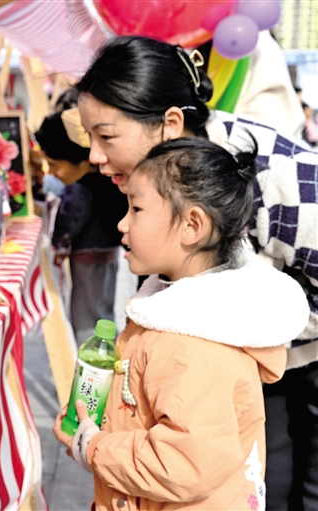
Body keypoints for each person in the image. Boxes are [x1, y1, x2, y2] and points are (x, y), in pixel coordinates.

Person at [72, 35, 318, 510]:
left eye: (106, 136)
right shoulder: (162, 187)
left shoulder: (269, 179)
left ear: (169, 124)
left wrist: (256, 326)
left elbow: (186, 462)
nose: (96, 156)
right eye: (89, 138)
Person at [36, 111, 127, 344]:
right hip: (107, 252)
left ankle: (96, 355)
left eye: (54, 165)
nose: (51, 172)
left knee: (87, 315)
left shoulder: (80, 188)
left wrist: (60, 241)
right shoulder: (108, 180)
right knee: (100, 308)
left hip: (89, 255)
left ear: (86, 160)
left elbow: (71, 219)